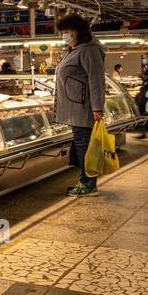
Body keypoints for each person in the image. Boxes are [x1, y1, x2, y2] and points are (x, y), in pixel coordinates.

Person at [54, 13, 106, 196]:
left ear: (78, 31)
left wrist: (97, 108)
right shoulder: (75, 49)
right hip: (76, 106)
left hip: (83, 107)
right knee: (81, 145)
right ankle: (85, 181)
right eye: (63, 32)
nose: (64, 36)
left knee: (84, 146)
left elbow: (96, 79)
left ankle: (89, 184)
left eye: (67, 32)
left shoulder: (89, 50)